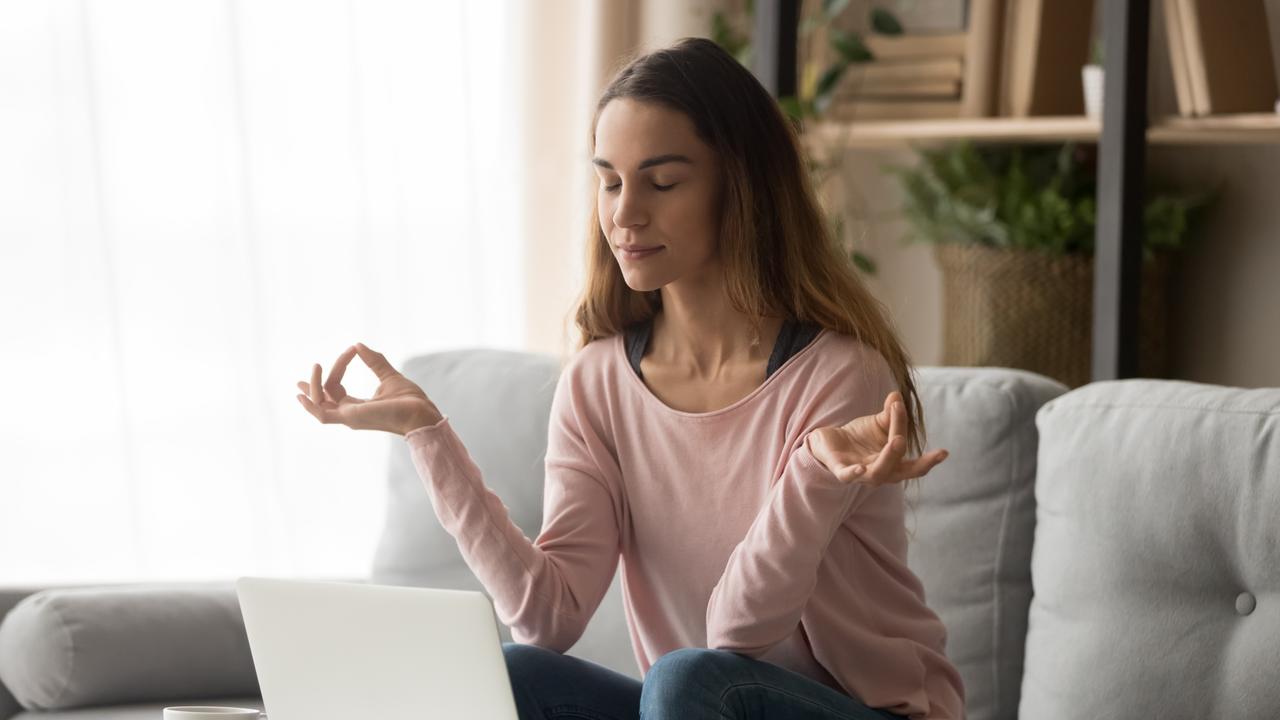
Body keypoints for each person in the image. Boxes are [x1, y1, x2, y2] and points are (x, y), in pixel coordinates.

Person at [296, 36, 963, 720]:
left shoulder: (835, 376)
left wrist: (813, 476)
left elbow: (737, 638)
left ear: (740, 186)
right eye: (610, 181)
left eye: (663, 182)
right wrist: (426, 435)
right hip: (693, 703)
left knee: (686, 681)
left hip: (865, 712)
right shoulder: (598, 382)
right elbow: (545, 618)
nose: (624, 213)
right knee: (518, 675)